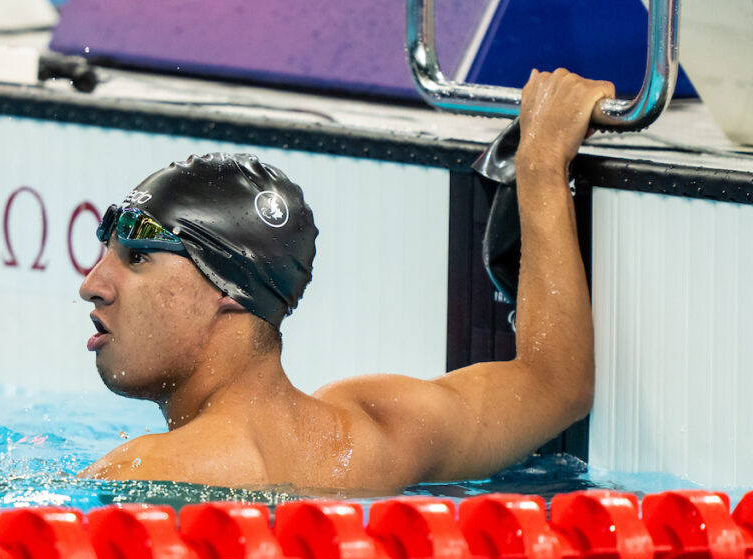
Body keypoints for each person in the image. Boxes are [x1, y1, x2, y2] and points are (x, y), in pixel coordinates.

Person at [77, 69, 613, 493]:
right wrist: (541, 160)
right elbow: (556, 382)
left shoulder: (141, 473)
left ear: (230, 288)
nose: (93, 284)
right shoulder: (383, 433)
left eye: (139, 257)